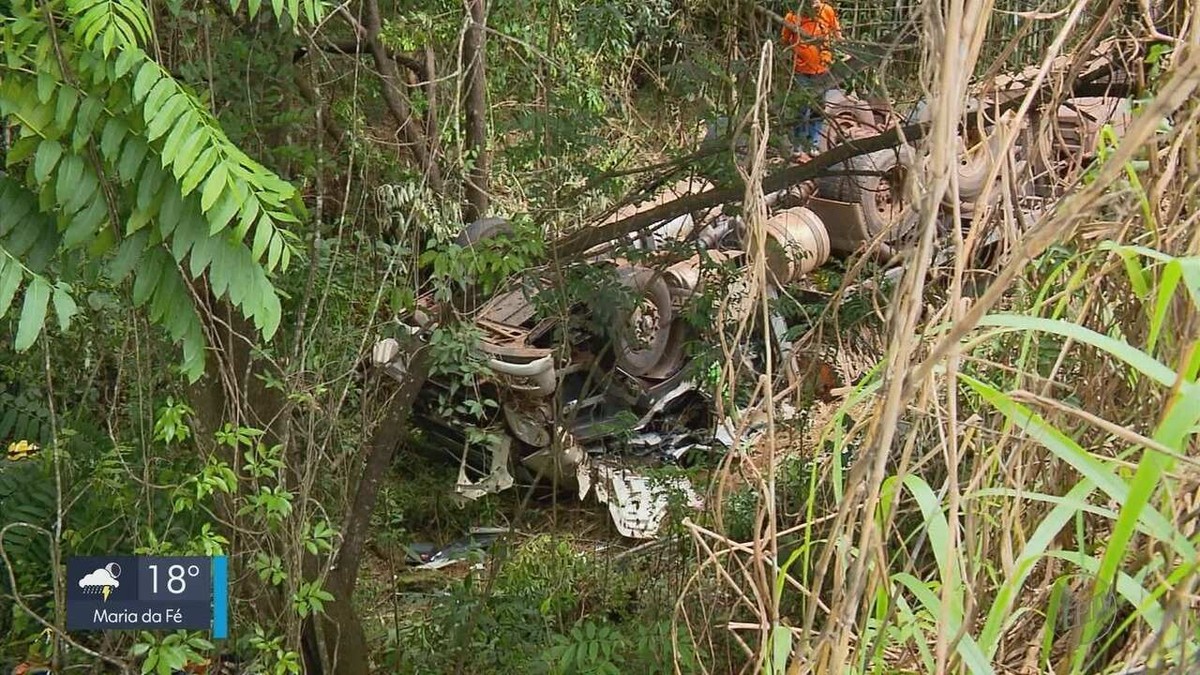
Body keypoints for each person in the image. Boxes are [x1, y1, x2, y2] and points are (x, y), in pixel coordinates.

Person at [781, 0, 842, 158]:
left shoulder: (826, 10)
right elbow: (784, 40)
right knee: (802, 108)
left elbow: (837, 33)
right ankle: (797, 145)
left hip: (822, 69)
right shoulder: (793, 16)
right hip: (800, 70)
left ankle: (813, 144)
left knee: (818, 108)